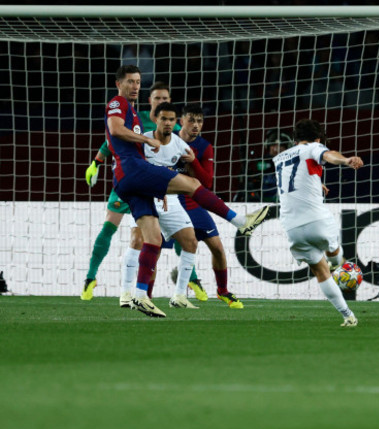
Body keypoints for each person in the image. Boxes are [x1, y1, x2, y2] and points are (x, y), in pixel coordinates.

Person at [105, 65, 268, 318]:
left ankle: (139, 296)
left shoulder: (136, 115)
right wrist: (146, 140)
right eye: (130, 82)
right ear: (119, 84)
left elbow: (114, 138)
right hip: (133, 172)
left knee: (154, 240)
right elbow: (114, 130)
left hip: (131, 181)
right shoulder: (118, 103)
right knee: (191, 186)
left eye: (138, 81)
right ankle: (240, 221)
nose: (135, 86)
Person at [81, 81, 182, 304]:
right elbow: (112, 139)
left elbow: (178, 149)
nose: (161, 102)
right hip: (128, 177)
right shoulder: (136, 115)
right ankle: (90, 277)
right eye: (157, 98)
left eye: (165, 99)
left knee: (151, 236)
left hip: (149, 184)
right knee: (109, 225)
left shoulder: (172, 127)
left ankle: (138, 292)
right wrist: (96, 162)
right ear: (150, 101)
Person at [273, 118, 363, 327]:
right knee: (334, 254)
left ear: (295, 138)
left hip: (292, 226)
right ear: (318, 138)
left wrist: (316, 182)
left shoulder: (279, 157)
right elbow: (328, 155)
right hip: (317, 220)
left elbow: (295, 179)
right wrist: (346, 160)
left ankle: (348, 315)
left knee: (319, 271)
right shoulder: (314, 146)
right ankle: (340, 265)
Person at [121, 102, 201, 309]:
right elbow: (130, 170)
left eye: (171, 120)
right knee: (137, 240)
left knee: (191, 242)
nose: (167, 123)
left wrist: (194, 162)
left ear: (176, 122)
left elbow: (200, 179)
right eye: (163, 118)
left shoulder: (181, 146)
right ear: (155, 119)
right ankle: (126, 293)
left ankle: (180, 296)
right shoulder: (142, 141)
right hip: (145, 196)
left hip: (169, 198)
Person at [168, 103, 244, 309]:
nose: (195, 125)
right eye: (191, 120)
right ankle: (142, 294)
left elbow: (207, 182)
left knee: (217, 248)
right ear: (181, 120)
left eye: (199, 121)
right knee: (152, 248)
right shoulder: (169, 139)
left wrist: (193, 161)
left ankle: (223, 291)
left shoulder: (204, 147)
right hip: (168, 202)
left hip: (193, 202)